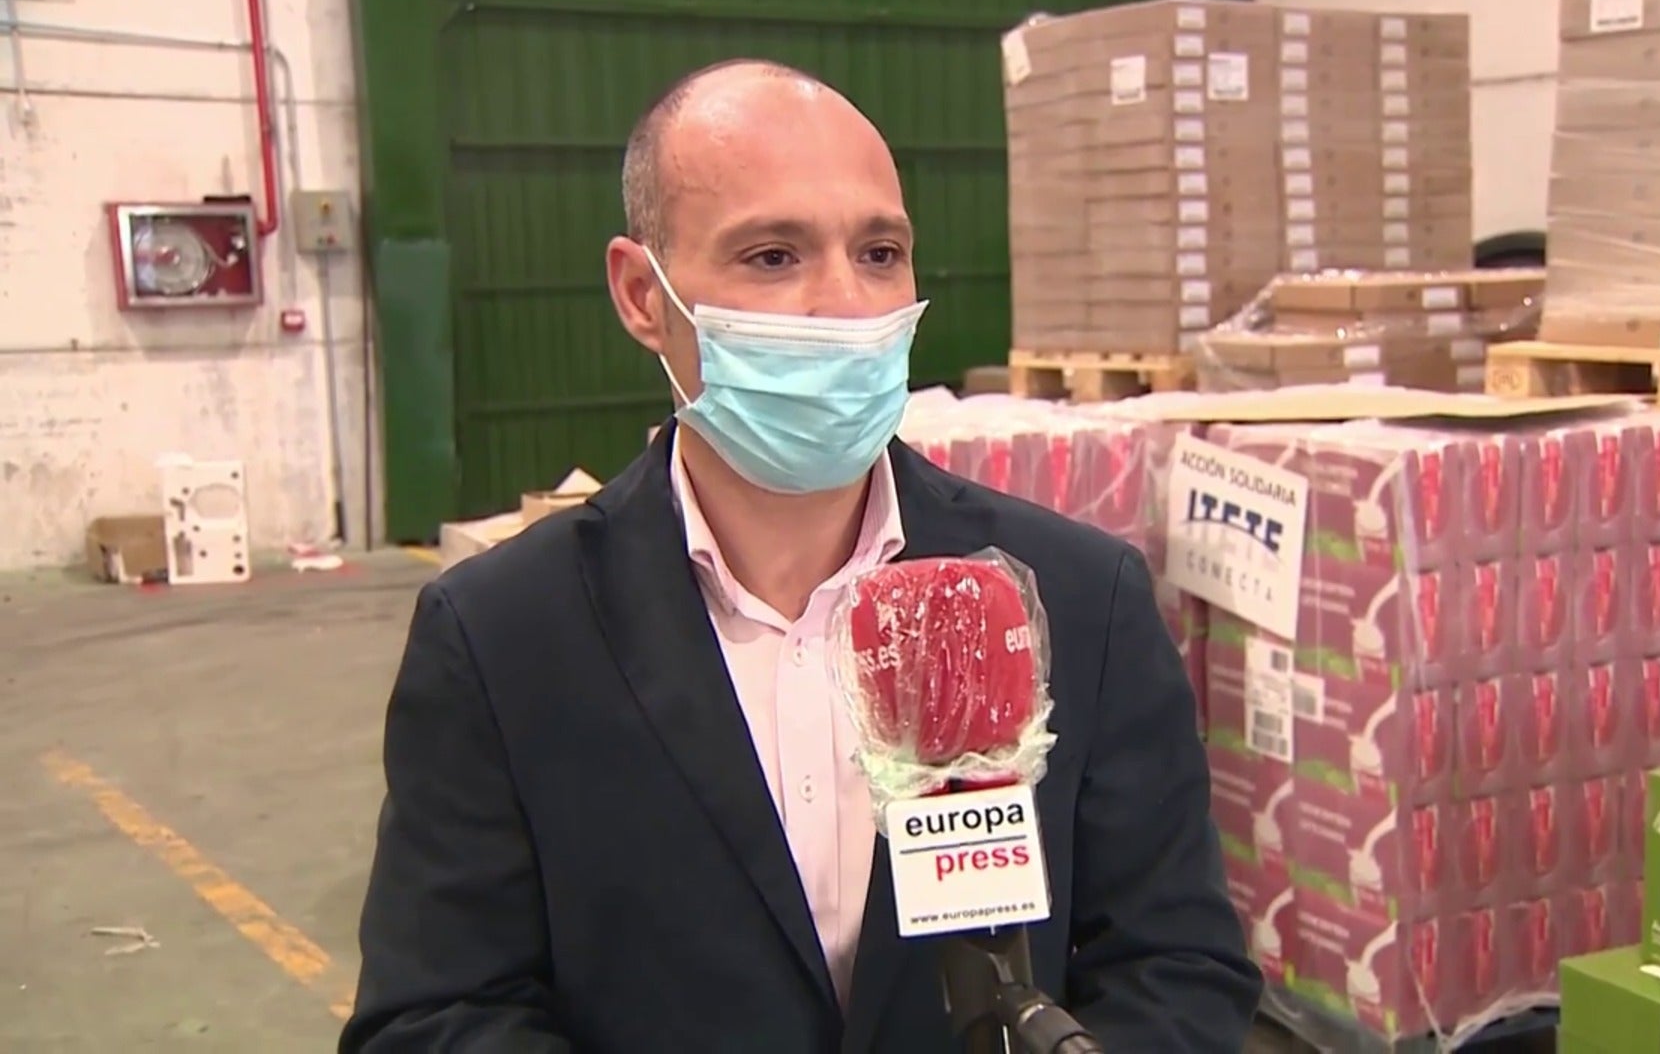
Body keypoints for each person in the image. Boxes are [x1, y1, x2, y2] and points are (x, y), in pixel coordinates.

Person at [342, 59, 1262, 1053]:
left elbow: (1178, 971)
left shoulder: (1078, 603)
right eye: (773, 256)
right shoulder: (501, 639)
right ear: (642, 295)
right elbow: (437, 1016)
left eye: (880, 252)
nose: (846, 305)